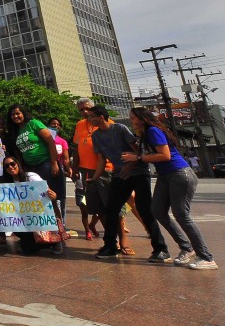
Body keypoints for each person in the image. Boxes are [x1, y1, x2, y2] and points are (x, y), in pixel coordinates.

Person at [124, 107, 217, 270]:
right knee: (158, 210)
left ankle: (206, 257)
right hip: (165, 175)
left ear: (142, 118)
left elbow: (165, 155)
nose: (131, 121)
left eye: (133, 118)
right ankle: (186, 248)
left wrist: (137, 157)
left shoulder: (153, 131)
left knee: (181, 214)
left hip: (178, 173)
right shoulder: (145, 135)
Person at [88, 105, 170, 262]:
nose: (89, 119)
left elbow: (139, 150)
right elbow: (101, 160)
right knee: (111, 209)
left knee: (145, 210)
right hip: (119, 175)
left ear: (101, 116)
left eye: (92, 116)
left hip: (139, 172)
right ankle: (111, 246)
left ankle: (161, 249)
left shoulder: (119, 128)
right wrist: (95, 177)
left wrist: (129, 166)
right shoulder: (96, 136)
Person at [0, 156, 62, 254]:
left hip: (39, 215)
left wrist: (53, 196)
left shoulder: (30, 176)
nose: (10, 167)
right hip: (24, 219)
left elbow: (46, 192)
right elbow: (4, 204)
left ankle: (54, 242)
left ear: (18, 164)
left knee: (27, 247)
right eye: (6, 166)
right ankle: (37, 241)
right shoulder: (7, 185)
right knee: (26, 248)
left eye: (12, 164)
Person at [6, 105, 61, 198]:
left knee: (52, 196)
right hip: (30, 168)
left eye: (18, 113)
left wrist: (54, 163)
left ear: (23, 113)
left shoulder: (34, 123)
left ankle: (59, 213)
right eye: (12, 115)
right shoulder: (15, 131)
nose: (15, 116)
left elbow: (50, 141)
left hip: (45, 164)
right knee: (37, 197)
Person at [72, 98, 108, 240]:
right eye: (81, 110)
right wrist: (75, 168)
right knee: (94, 206)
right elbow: (76, 147)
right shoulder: (79, 125)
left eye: (87, 109)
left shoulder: (107, 123)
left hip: (106, 170)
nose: (84, 112)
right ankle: (110, 238)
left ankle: (119, 239)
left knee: (110, 205)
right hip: (86, 171)